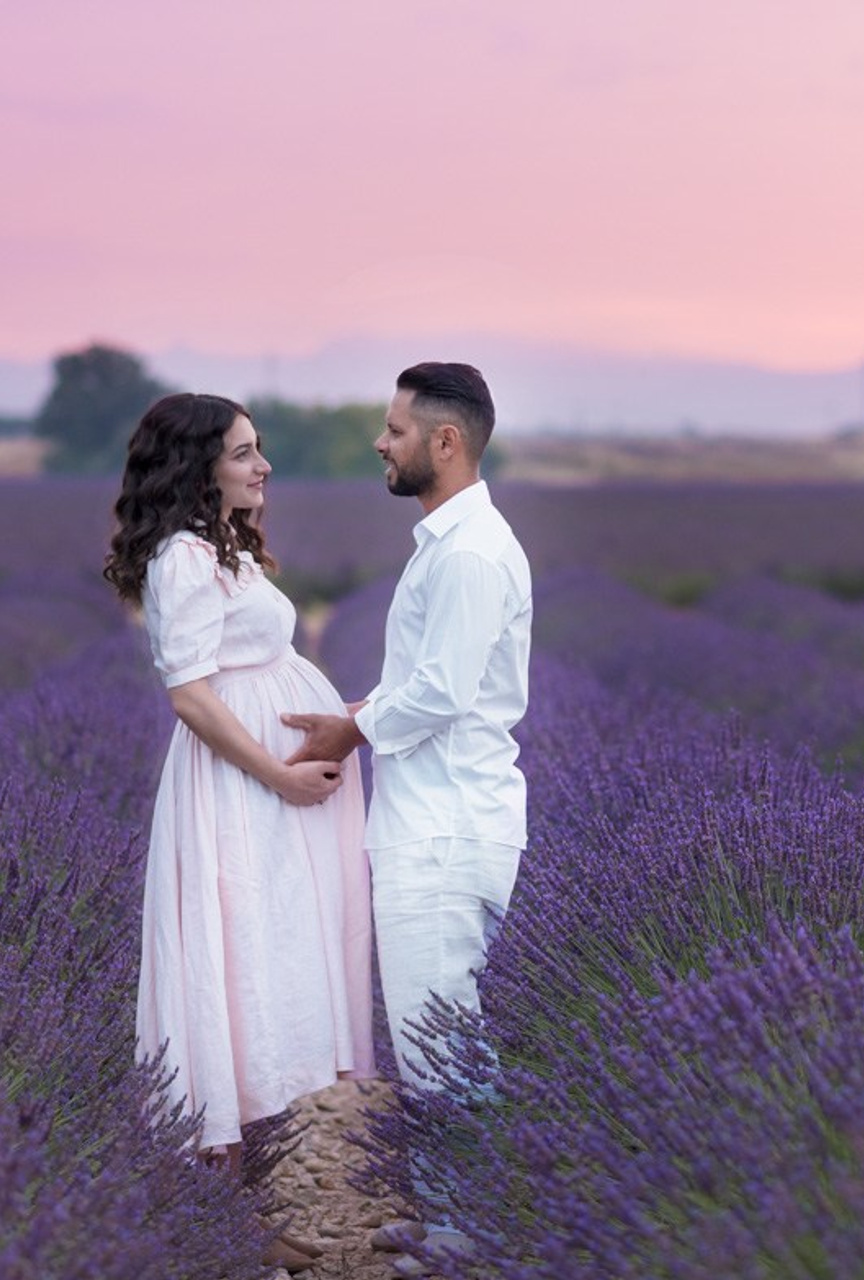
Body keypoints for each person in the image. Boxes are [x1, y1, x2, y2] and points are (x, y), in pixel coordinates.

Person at [104, 392, 375, 1273]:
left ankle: (235, 1212)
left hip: (267, 795)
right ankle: (219, 1221)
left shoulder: (226, 547)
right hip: (239, 791)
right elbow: (189, 695)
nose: (263, 467)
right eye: (244, 453)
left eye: (259, 451)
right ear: (197, 466)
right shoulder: (184, 557)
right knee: (232, 972)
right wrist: (278, 772)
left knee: (261, 972)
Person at [281, 362, 531, 1270]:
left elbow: (440, 694)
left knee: (443, 1037)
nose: (381, 444)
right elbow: (424, 686)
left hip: (447, 826)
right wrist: (355, 713)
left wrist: (349, 730)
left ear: (445, 441)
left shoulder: (466, 553)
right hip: (438, 818)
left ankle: (472, 1235)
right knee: (433, 1030)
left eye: (394, 429)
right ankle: (446, 1210)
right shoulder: (448, 544)